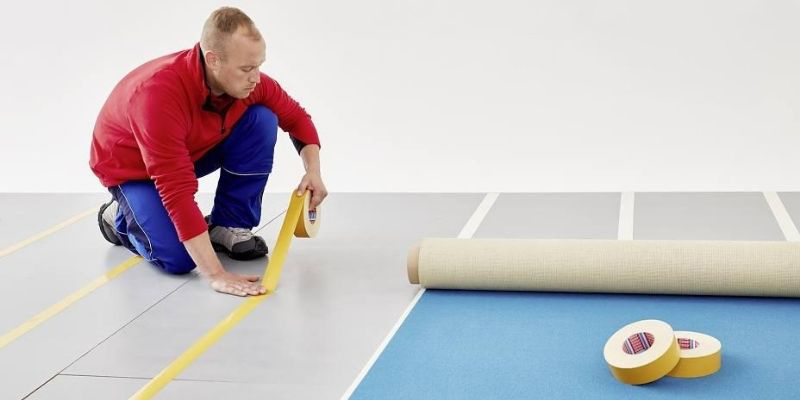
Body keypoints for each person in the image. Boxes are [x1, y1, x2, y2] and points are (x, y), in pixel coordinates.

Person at [89, 7, 327, 296]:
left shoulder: (250, 84)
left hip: (186, 150)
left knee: (262, 119)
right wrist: (216, 274)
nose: (256, 77)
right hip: (132, 170)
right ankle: (120, 218)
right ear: (213, 60)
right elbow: (176, 190)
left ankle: (229, 224)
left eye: (258, 66)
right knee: (179, 260)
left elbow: (297, 119)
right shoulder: (159, 96)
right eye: (246, 69)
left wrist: (313, 172)